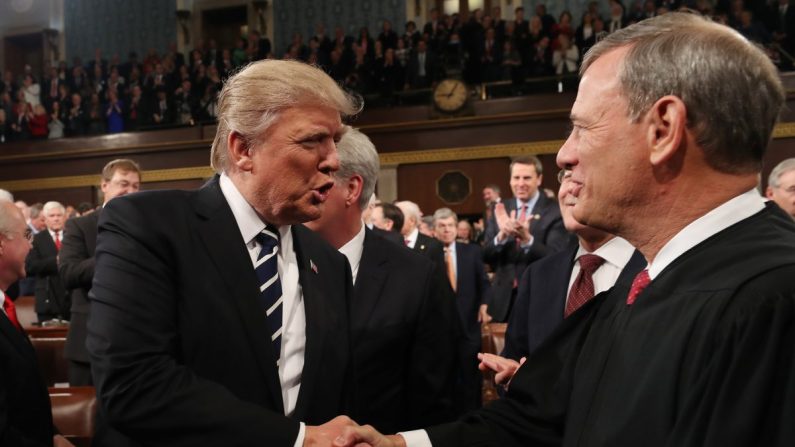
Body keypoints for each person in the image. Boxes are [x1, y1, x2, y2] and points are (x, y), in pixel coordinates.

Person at [336, 13, 795, 447]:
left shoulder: (773, 299)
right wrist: (398, 443)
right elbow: (534, 422)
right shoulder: (642, 285)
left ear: (663, 130)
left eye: (581, 128)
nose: (564, 156)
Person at [87, 59, 363, 446]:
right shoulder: (146, 226)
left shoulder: (330, 265)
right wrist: (298, 439)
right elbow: (134, 386)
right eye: (311, 141)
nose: (333, 159)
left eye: (335, 140)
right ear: (243, 148)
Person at [305, 127, 458, 433]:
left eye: (316, 175)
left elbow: (440, 401)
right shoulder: (274, 261)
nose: (298, 186)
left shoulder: (417, 277)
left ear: (352, 189)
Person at [482, 169, 645, 381]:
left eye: (582, 176)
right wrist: (518, 382)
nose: (570, 188)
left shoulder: (657, 269)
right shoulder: (538, 276)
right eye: (566, 177)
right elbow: (514, 360)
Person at [59, 159, 141, 386]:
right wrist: (114, 256)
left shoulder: (148, 226)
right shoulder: (80, 226)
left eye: (135, 186)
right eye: (123, 183)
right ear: (104, 185)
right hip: (88, 345)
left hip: (136, 345)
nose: (130, 191)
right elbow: (68, 273)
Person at [0, 201, 75, 447]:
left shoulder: (5, 307)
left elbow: (21, 394)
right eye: (25, 235)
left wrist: (51, 434)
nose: (31, 244)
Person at [483, 156, 573, 322]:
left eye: (527, 178)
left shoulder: (555, 210)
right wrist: (501, 237)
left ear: (539, 179)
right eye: (516, 178)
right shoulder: (500, 209)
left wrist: (527, 240)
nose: (521, 183)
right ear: (510, 180)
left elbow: (558, 257)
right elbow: (485, 255)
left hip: (541, 299)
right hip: (503, 303)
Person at [432, 207, 490, 413]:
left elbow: (483, 283)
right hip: (439, 329)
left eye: (450, 226)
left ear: (456, 228)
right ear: (434, 230)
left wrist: (484, 306)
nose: (447, 230)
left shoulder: (471, 251)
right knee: (445, 377)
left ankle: (473, 416)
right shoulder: (429, 254)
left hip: (468, 325)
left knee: (470, 376)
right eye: (442, 226)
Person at [25, 201, 70, 322]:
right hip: (47, 299)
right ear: (44, 219)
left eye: (59, 215)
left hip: (71, 299)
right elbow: (30, 266)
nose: (56, 219)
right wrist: (56, 261)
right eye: (52, 216)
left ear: (65, 217)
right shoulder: (36, 239)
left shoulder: (73, 236)